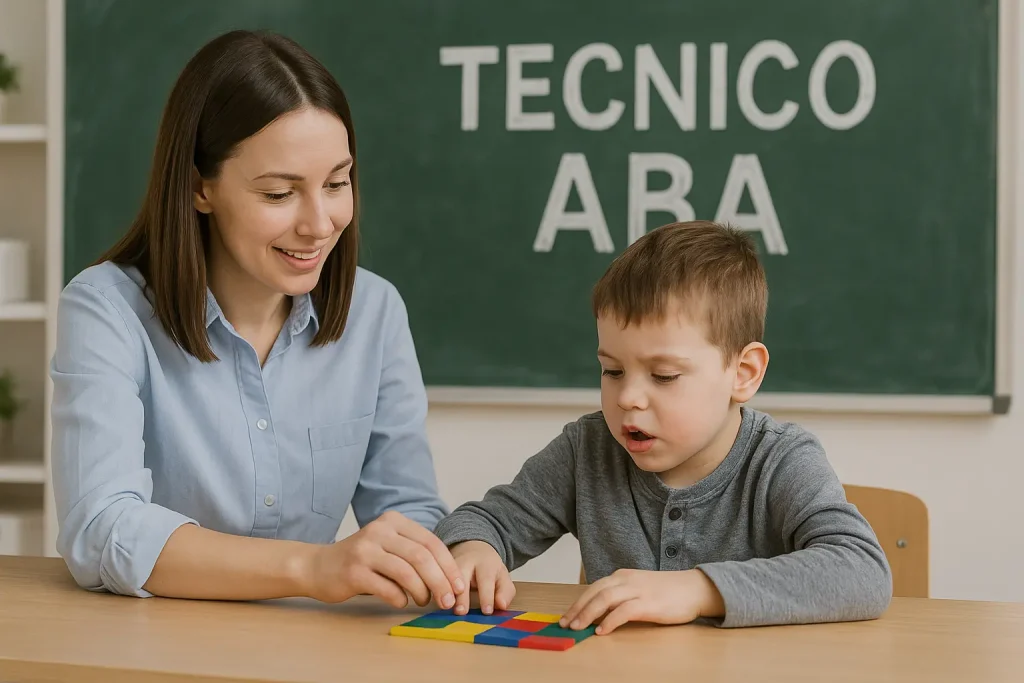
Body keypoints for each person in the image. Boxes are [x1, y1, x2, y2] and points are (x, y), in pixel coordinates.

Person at [49, 29, 466, 611]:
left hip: (311, 653)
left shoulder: (374, 312)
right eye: (279, 194)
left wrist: (449, 556)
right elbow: (102, 530)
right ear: (200, 187)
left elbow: (409, 511)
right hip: (152, 654)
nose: (320, 223)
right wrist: (312, 567)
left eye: (337, 183)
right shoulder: (106, 310)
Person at [433, 220, 893, 633]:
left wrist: (697, 590)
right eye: (612, 371)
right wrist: (474, 548)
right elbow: (485, 520)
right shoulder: (587, 449)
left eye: (664, 376)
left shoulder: (781, 460)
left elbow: (862, 571)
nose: (628, 397)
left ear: (743, 373)